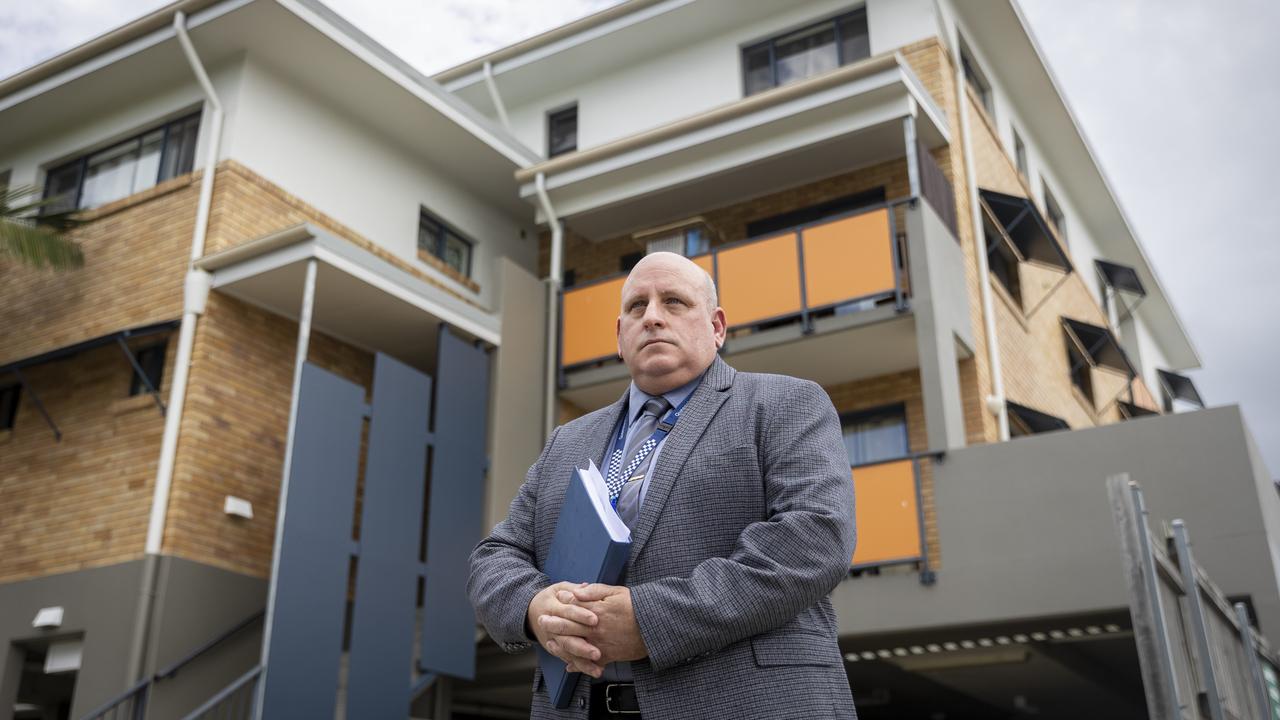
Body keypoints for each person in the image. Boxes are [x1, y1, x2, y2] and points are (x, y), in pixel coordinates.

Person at [468, 252, 857, 718]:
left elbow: (814, 537)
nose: (652, 317)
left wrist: (649, 620)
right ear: (619, 337)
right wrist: (536, 608)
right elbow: (495, 557)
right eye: (637, 307)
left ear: (716, 327)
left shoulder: (784, 403)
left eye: (674, 302)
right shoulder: (567, 441)